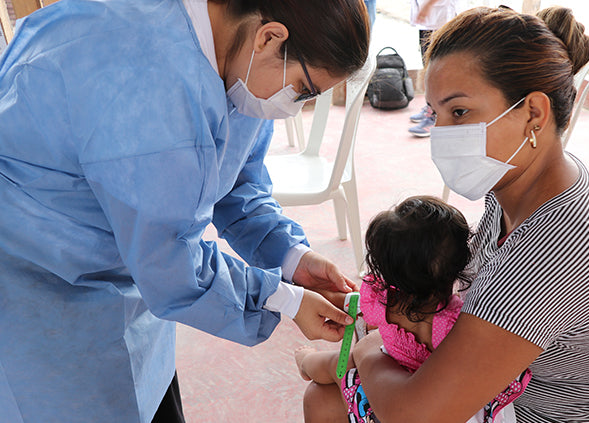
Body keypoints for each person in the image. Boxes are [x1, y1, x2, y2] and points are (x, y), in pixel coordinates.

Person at [0, 0, 369, 421]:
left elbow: (232, 179)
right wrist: (283, 299)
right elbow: (170, 261)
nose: (293, 105)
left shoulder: (237, 60)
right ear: (271, 37)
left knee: (147, 393)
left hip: (130, 271)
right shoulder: (144, 76)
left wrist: (290, 258)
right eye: (304, 91)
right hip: (42, 288)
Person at [306, 6, 589, 423]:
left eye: (459, 113)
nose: (441, 135)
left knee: (325, 397)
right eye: (436, 115)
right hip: (510, 390)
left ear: (533, 113)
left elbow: (414, 415)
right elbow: (474, 288)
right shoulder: (526, 184)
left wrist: (367, 355)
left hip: (533, 413)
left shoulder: (547, 257)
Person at [295, 195, 530, 423]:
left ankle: (307, 361)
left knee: (340, 364)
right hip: (443, 403)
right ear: (459, 266)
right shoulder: (455, 321)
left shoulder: (379, 300)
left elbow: (359, 312)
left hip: (376, 407)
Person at [407, 0, 458, 137]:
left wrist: (428, 5)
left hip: (439, 15)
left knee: (438, 69)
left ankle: (436, 115)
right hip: (428, 17)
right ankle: (431, 107)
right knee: (428, 65)